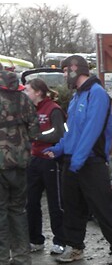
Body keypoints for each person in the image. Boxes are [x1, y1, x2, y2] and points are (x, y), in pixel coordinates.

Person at [43, 55, 112, 265]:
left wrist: (76, 161)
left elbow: (91, 132)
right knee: (72, 207)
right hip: (73, 160)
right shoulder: (76, 98)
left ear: (74, 69)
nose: (63, 76)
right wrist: (59, 149)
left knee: (102, 206)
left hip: (91, 162)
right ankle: (75, 247)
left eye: (64, 71)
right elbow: (72, 131)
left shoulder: (97, 94)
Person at [0, 71, 40, 265]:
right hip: (21, 164)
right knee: (18, 210)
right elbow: (35, 131)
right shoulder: (24, 99)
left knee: (1, 213)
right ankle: (22, 258)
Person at [24, 78, 66, 255]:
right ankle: (35, 239)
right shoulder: (30, 109)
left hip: (50, 159)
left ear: (38, 92)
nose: (25, 93)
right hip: (33, 159)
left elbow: (60, 133)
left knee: (55, 202)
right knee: (31, 201)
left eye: (28, 90)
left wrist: (36, 136)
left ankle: (61, 241)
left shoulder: (54, 110)